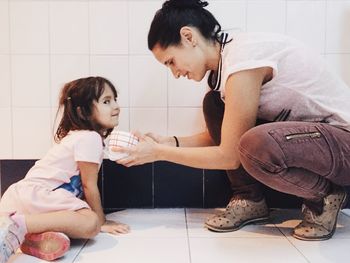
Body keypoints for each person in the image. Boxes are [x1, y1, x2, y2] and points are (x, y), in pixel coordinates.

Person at [115, 0, 350, 241]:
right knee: (215, 104)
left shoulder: (242, 60)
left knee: (255, 144)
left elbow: (229, 154)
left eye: (171, 61)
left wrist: (158, 153)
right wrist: (169, 142)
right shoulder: (229, 66)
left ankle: (325, 196)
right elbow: (227, 136)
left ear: (188, 36)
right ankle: (250, 199)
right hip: (318, 145)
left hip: (344, 145)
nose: (175, 73)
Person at [0, 76, 129, 263]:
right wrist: (101, 222)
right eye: (106, 101)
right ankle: (16, 225)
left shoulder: (77, 137)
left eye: (115, 100)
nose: (116, 106)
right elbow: (89, 186)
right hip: (37, 196)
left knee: (70, 229)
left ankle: (29, 235)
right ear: (83, 112)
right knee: (90, 223)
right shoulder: (90, 138)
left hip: (20, 199)